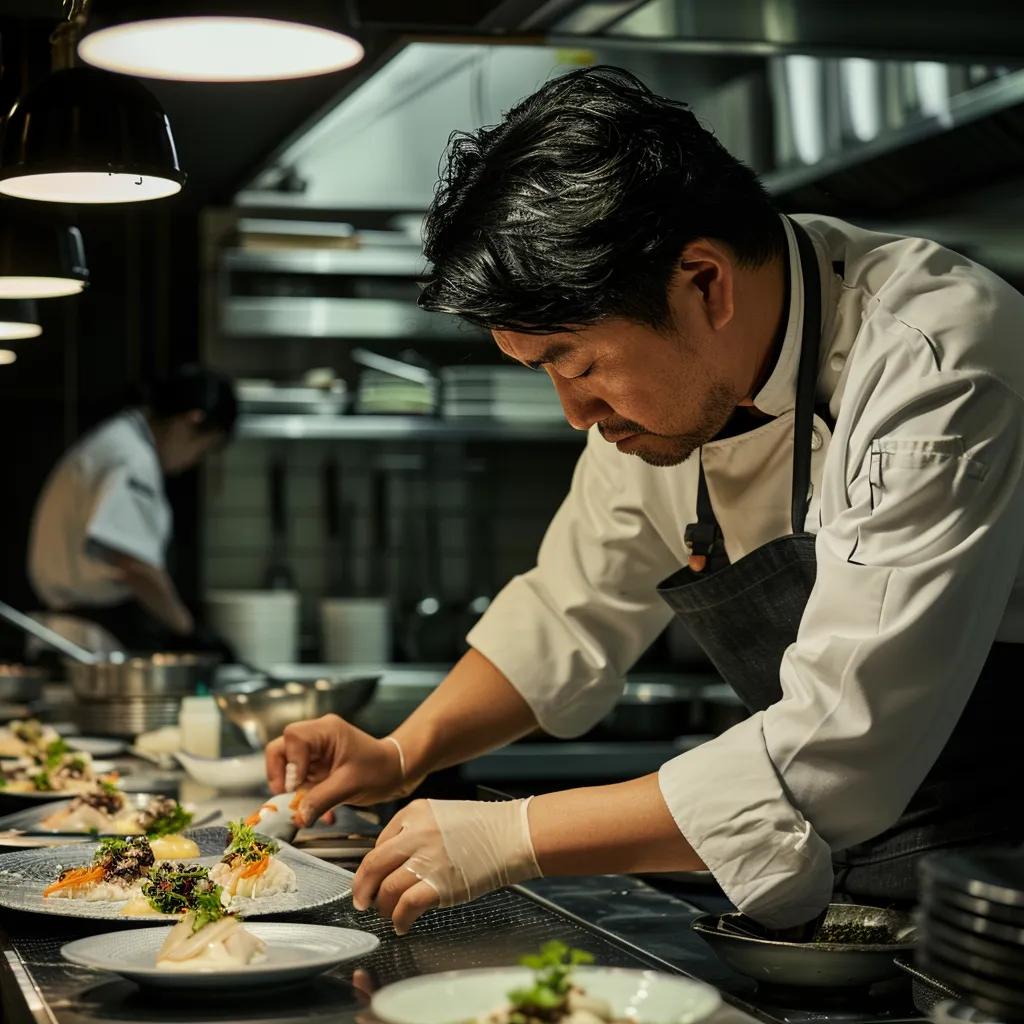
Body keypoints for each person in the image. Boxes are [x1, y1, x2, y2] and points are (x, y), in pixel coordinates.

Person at [267, 67, 1024, 936]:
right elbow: (571, 610)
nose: (576, 414)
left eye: (578, 364)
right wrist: (404, 751)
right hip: (851, 900)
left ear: (704, 283)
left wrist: (514, 834)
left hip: (997, 892)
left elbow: (838, 750)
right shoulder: (671, 395)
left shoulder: (936, 364)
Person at [28, 365, 237, 652]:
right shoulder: (132, 458)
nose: (193, 462)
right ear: (190, 421)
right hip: (85, 641)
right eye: (202, 449)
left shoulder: (119, 440)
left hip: (71, 634)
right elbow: (134, 563)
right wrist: (188, 630)